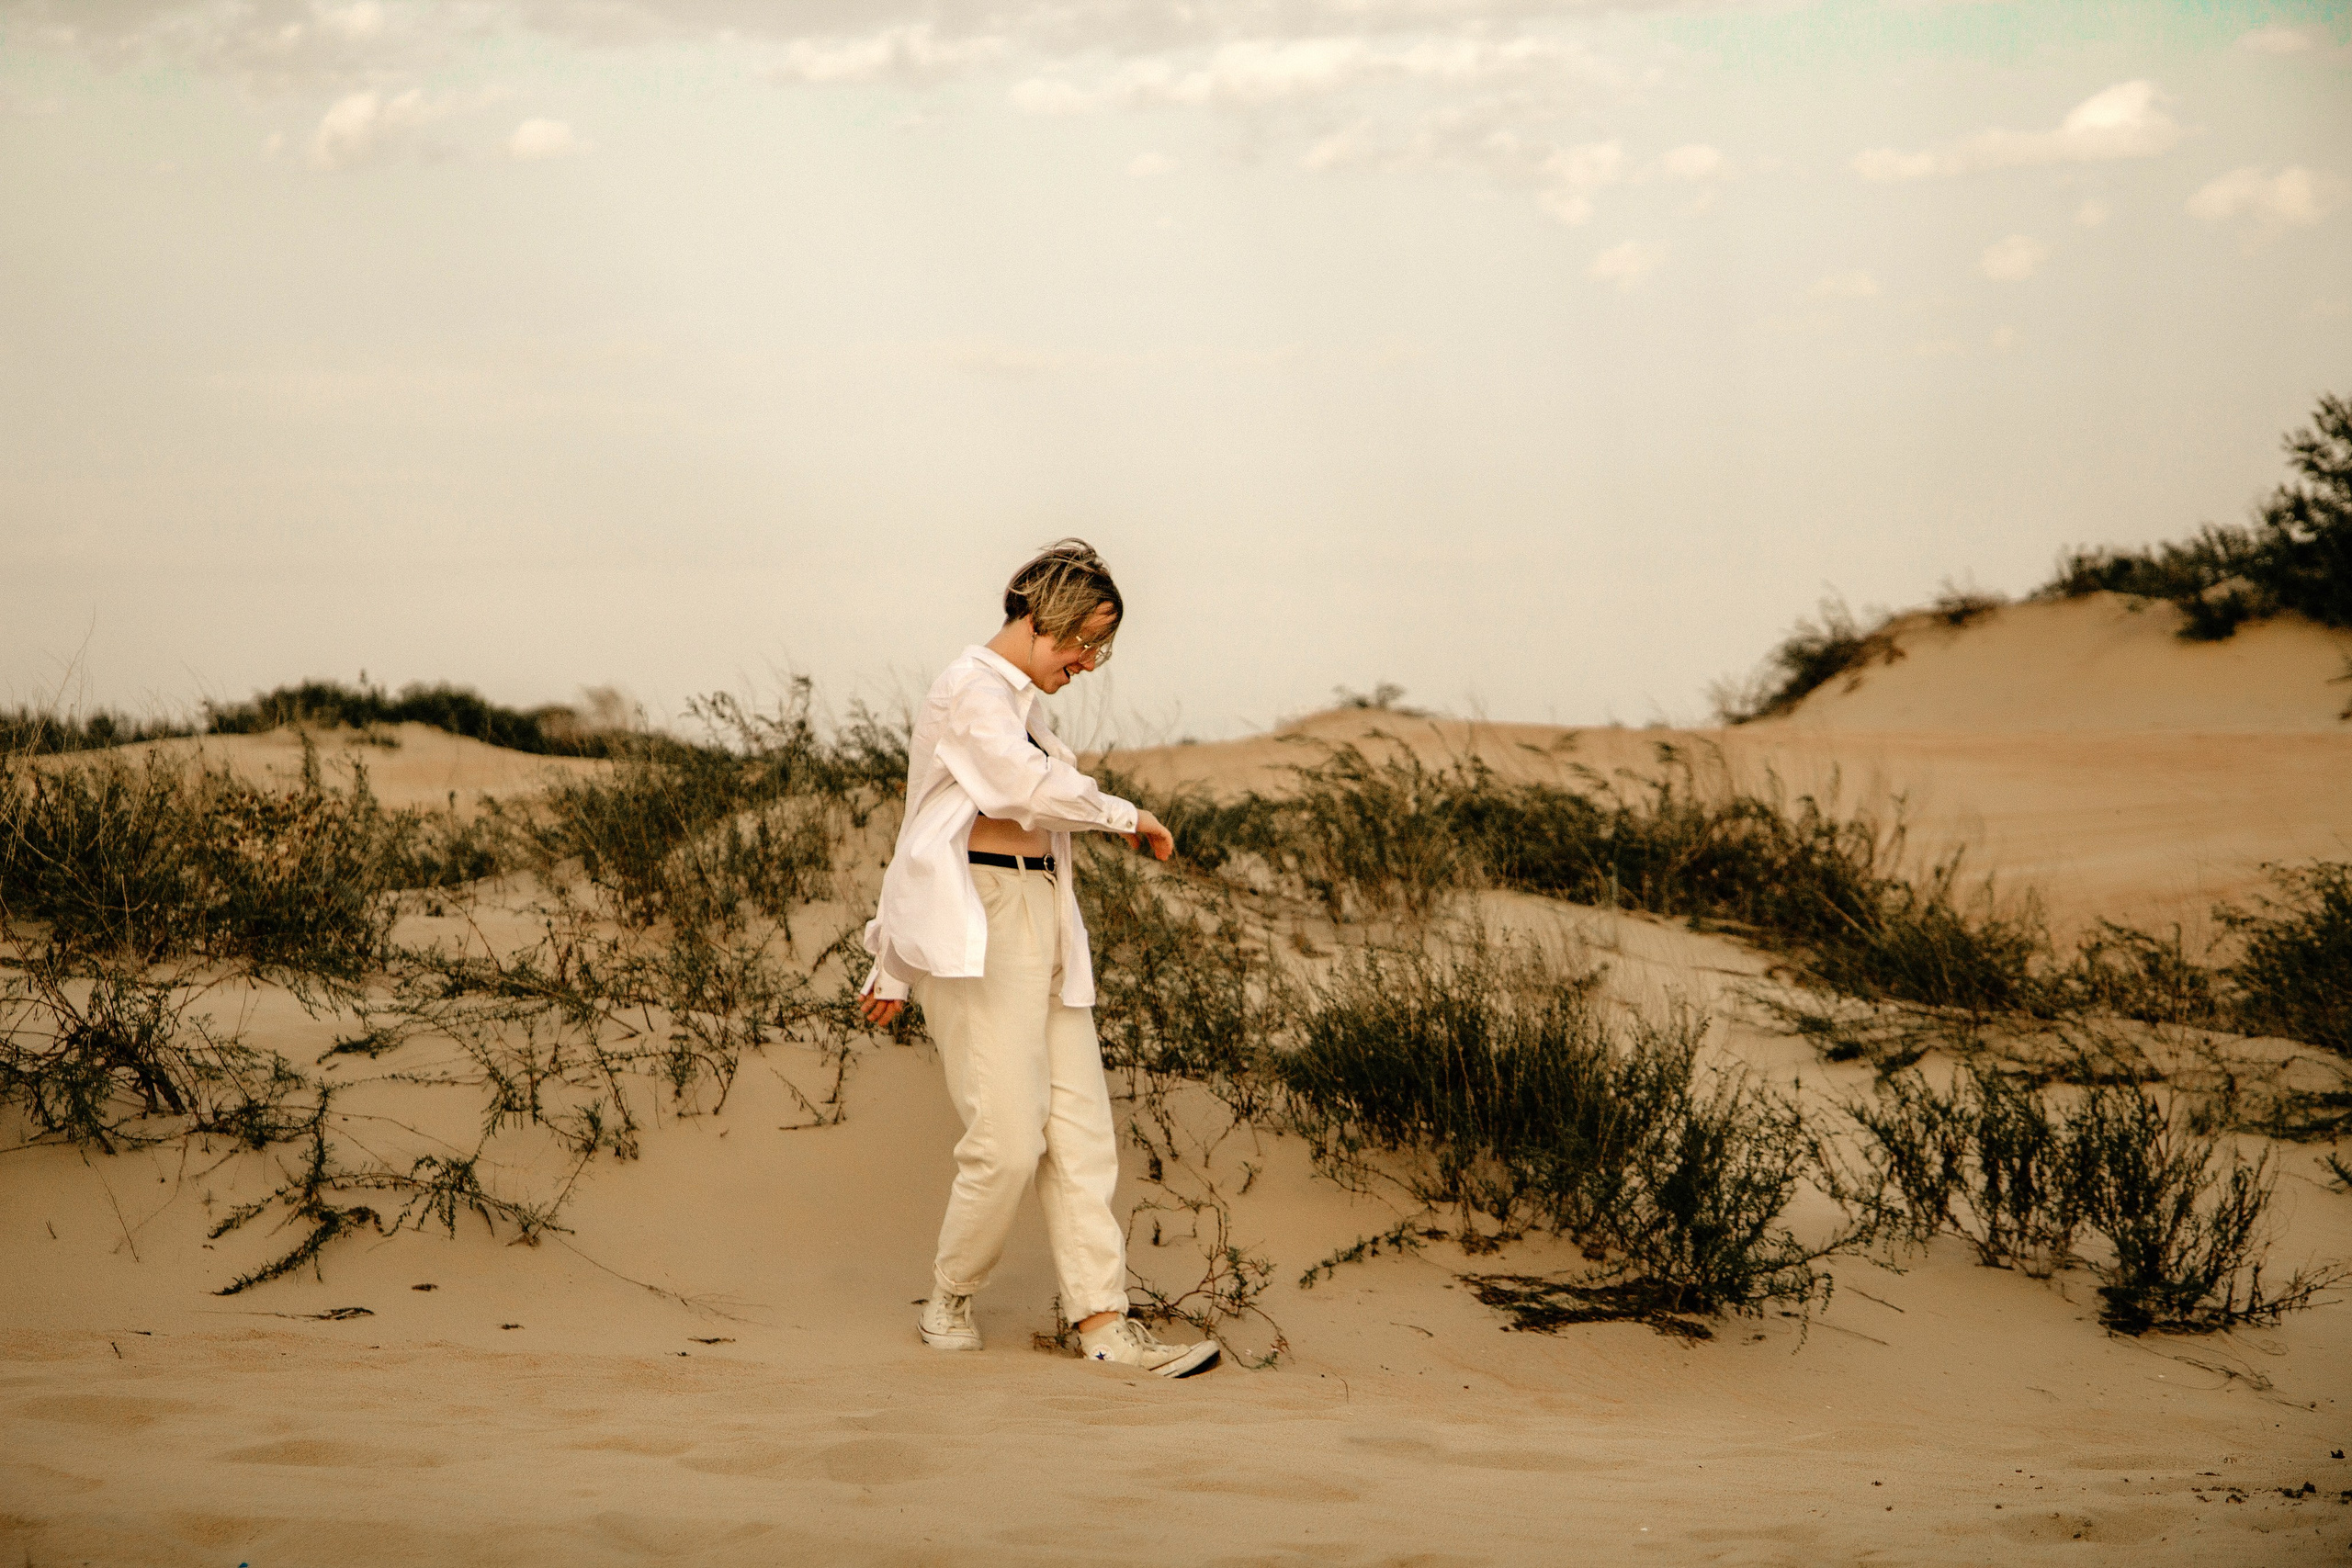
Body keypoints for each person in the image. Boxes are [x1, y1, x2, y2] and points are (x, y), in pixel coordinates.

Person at [854, 540, 1220, 1379]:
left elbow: (942, 818)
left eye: (1100, 649)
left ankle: (1103, 1321)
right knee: (1009, 1141)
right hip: (979, 925)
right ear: (1041, 619)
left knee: (1082, 1137)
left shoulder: (1025, 711)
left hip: (1045, 918)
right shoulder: (971, 691)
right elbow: (1003, 797)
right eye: (1083, 643)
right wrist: (1125, 815)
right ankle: (950, 1296)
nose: (1087, 664)